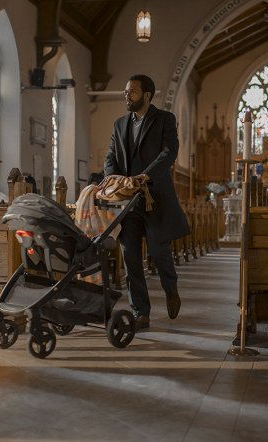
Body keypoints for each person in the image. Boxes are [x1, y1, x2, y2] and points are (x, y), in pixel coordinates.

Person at [104, 73, 190, 331]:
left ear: (147, 95)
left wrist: (146, 175)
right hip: (128, 202)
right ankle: (140, 312)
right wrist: (114, 180)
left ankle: (170, 288)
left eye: (132, 92)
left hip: (155, 198)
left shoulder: (164, 119)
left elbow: (169, 152)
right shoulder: (119, 124)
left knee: (158, 250)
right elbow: (111, 156)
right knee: (129, 255)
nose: (126, 96)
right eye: (125, 92)